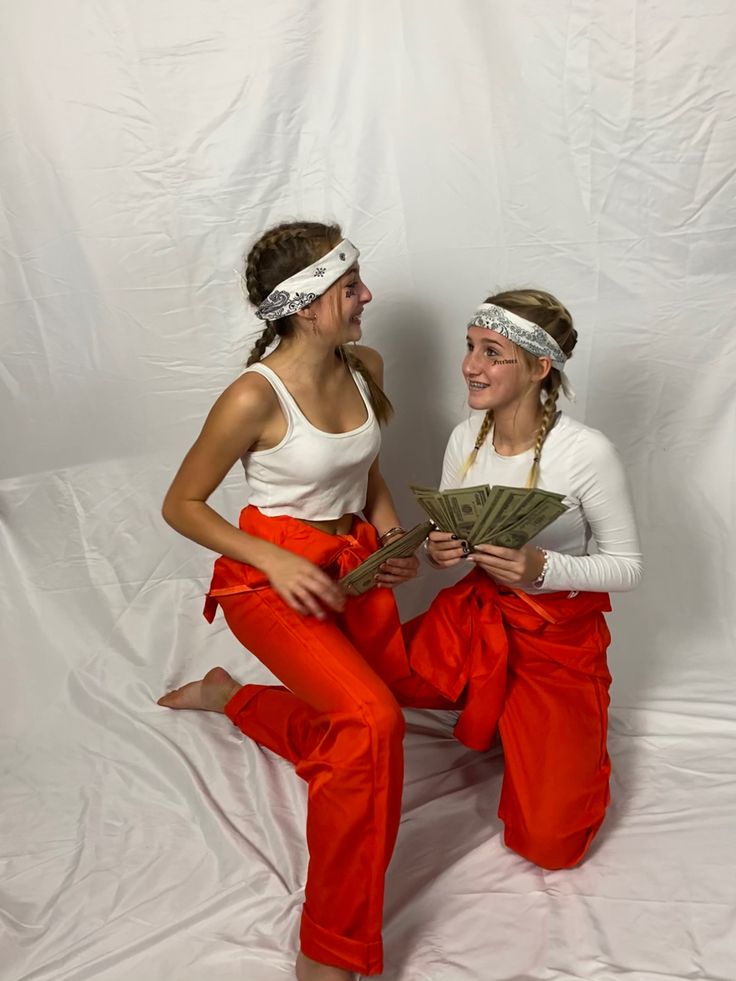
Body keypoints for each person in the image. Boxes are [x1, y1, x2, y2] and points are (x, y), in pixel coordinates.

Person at [156, 221, 439, 981]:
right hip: (268, 579)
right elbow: (181, 504)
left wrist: (385, 535)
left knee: (370, 718)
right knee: (373, 721)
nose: (366, 295)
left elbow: (365, 465)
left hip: (346, 569)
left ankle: (234, 701)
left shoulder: (365, 363)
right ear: (308, 305)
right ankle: (329, 948)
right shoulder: (254, 394)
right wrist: (272, 557)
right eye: (351, 287)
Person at [405, 288, 643, 871]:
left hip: (555, 641)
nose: (470, 365)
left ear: (540, 368)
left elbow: (628, 566)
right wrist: (441, 550)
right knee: (357, 684)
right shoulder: (467, 436)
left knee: (551, 846)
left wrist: (545, 568)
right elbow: (447, 542)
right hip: (473, 622)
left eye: (492, 352)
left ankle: (536, 734)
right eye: (469, 347)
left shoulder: (587, 452)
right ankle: (238, 699)